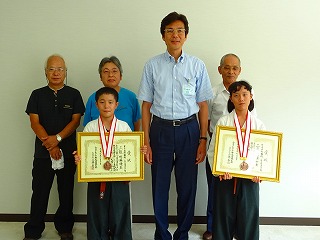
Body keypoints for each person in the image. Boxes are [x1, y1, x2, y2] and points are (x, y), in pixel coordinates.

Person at [137, 11, 213, 240]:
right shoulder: (152, 65)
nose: (175, 35)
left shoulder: (197, 66)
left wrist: (202, 140)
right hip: (159, 130)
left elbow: (203, 106)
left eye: (180, 30)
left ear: (186, 35)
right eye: (169, 31)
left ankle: (182, 234)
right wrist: (146, 142)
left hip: (189, 131)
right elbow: (146, 106)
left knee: (187, 187)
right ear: (163, 36)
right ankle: (161, 233)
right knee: (159, 187)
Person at [24, 54, 85, 240]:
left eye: (60, 69)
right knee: (39, 193)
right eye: (52, 69)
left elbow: (75, 121)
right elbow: (34, 123)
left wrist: (57, 139)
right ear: (45, 72)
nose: (56, 73)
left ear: (66, 72)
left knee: (66, 193)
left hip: (68, 153)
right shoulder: (37, 94)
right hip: (43, 154)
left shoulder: (74, 94)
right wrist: (50, 145)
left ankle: (65, 228)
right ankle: (33, 230)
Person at [74, 87, 146, 240]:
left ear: (116, 105)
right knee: (97, 210)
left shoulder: (124, 127)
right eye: (102, 102)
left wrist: (139, 149)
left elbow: (130, 152)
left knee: (120, 209)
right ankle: (97, 236)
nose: (106, 106)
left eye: (110, 102)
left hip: (120, 177)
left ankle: (121, 236)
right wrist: (79, 158)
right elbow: (84, 153)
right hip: (95, 176)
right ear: (96, 104)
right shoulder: (90, 127)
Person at [207, 80, 265, 240]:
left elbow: (263, 153)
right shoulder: (223, 122)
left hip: (250, 180)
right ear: (231, 98)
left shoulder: (258, 125)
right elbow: (212, 151)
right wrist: (219, 171)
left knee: (248, 218)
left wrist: (260, 173)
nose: (241, 98)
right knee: (223, 218)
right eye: (236, 95)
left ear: (251, 97)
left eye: (245, 94)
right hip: (226, 178)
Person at [203, 53, 242, 240]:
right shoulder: (212, 93)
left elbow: (252, 122)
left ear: (239, 71)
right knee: (214, 189)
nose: (230, 71)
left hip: (240, 152)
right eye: (227, 67)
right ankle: (211, 228)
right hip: (217, 148)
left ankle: (234, 228)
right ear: (220, 70)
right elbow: (206, 119)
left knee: (236, 190)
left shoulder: (246, 93)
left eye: (234, 68)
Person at [83, 56, 141, 131]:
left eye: (114, 71)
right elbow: (87, 127)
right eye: (106, 71)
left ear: (121, 76)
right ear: (100, 77)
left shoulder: (131, 97)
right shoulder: (92, 98)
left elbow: (136, 124)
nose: (110, 75)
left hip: (124, 141)